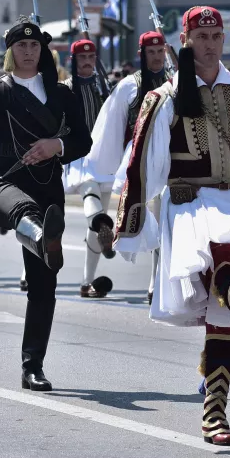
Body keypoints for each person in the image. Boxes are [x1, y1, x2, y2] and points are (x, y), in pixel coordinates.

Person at [115, 6, 230, 445]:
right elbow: (141, 162)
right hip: (190, 203)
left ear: (223, 40)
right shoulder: (167, 96)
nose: (210, 44)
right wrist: (130, 220)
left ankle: (215, 413)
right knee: (221, 257)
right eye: (202, 36)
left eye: (216, 36)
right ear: (186, 40)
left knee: (220, 317)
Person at [0, 16, 92, 391]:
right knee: (24, 213)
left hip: (49, 187)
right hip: (5, 183)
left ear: (42, 51)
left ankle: (33, 366)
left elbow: (83, 141)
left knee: (43, 285)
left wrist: (56, 146)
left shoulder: (62, 94)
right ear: (11, 52)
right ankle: (37, 231)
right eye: (21, 46)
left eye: (34, 46)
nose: (29, 52)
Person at [84, 31, 173, 303]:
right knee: (135, 218)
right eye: (151, 52)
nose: (157, 57)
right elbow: (111, 127)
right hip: (138, 159)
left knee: (164, 221)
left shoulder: (176, 81)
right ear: (142, 55)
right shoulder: (128, 87)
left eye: (161, 52)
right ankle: (93, 268)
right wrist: (105, 168)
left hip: (169, 159)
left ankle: (155, 284)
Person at [61, 39, 113, 298]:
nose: (87, 61)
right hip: (78, 154)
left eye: (91, 57)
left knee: (99, 212)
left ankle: (86, 282)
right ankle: (101, 224)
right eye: (82, 58)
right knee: (89, 188)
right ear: (74, 61)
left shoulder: (104, 87)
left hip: (102, 154)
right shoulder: (65, 89)